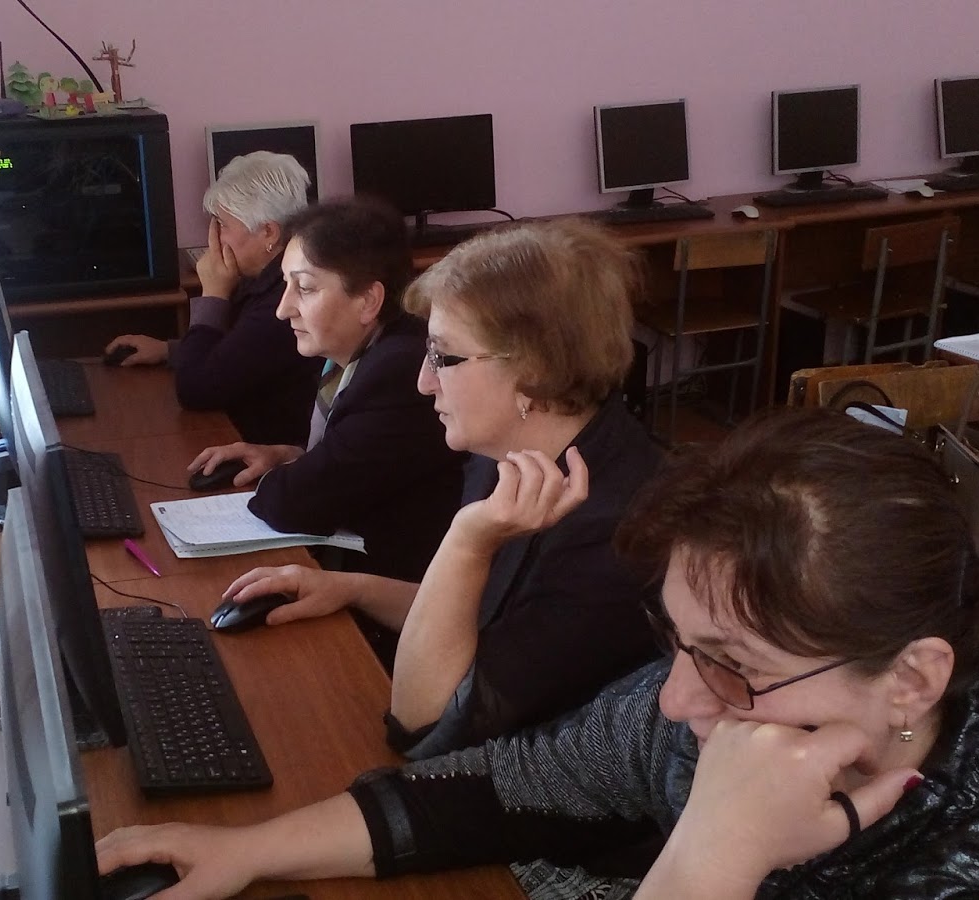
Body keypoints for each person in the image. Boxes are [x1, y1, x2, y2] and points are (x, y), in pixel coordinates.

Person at [95, 407, 979, 899]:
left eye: (732, 664)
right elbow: (496, 791)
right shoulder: (714, 711)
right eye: (677, 642)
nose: (675, 699)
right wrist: (254, 850)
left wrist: (713, 858)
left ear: (913, 680)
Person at [217, 218, 664, 759]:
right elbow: (472, 618)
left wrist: (468, 541)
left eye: (443, 356)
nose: (423, 381)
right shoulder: (506, 456)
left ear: (534, 370)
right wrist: (351, 589)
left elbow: (422, 723)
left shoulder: (617, 537)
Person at [189, 198, 466, 583]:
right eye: (285, 285)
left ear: (368, 300)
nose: (283, 309)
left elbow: (293, 504)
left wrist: (293, 474)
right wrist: (289, 455)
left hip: (395, 594)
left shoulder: (398, 373)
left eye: (304, 288)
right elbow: (358, 464)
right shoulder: (351, 356)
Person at [106, 151, 321, 446]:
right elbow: (240, 348)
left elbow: (195, 390)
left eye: (222, 224)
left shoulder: (283, 302)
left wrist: (213, 293)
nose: (214, 237)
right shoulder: (268, 276)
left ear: (268, 232)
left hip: (267, 449)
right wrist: (170, 350)